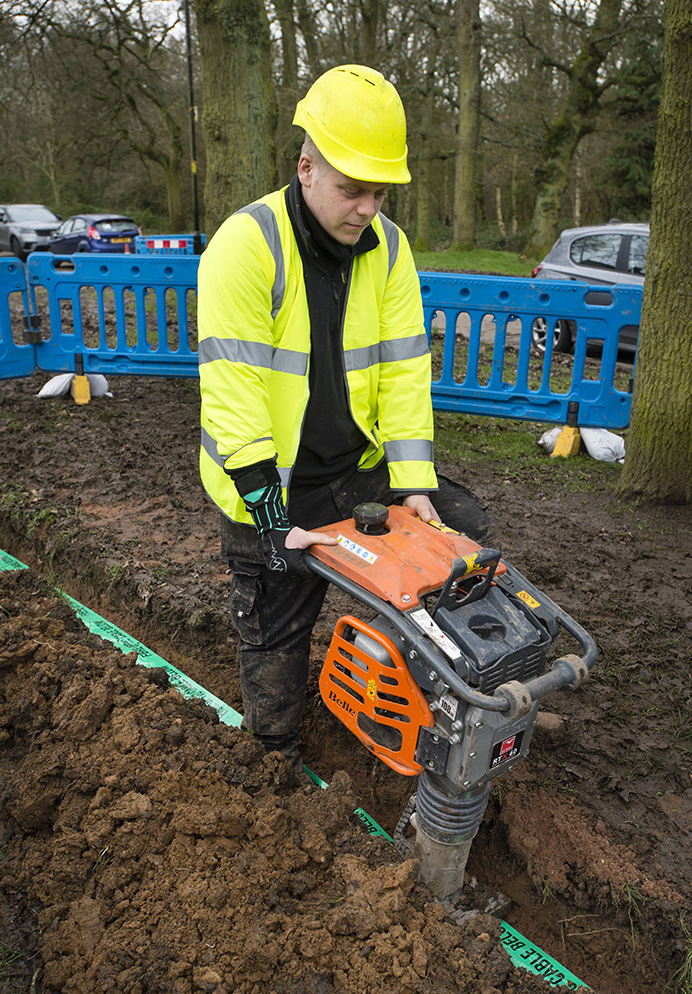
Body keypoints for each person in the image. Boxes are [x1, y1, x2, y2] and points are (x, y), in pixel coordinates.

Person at [198, 64, 499, 778]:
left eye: (378, 190)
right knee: (275, 637)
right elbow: (233, 391)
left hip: (357, 473)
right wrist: (269, 515)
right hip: (267, 484)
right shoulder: (246, 246)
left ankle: (399, 695)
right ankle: (273, 758)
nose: (366, 207)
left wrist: (414, 483)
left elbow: (402, 371)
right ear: (306, 168)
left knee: (461, 542)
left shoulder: (390, 249)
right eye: (350, 188)